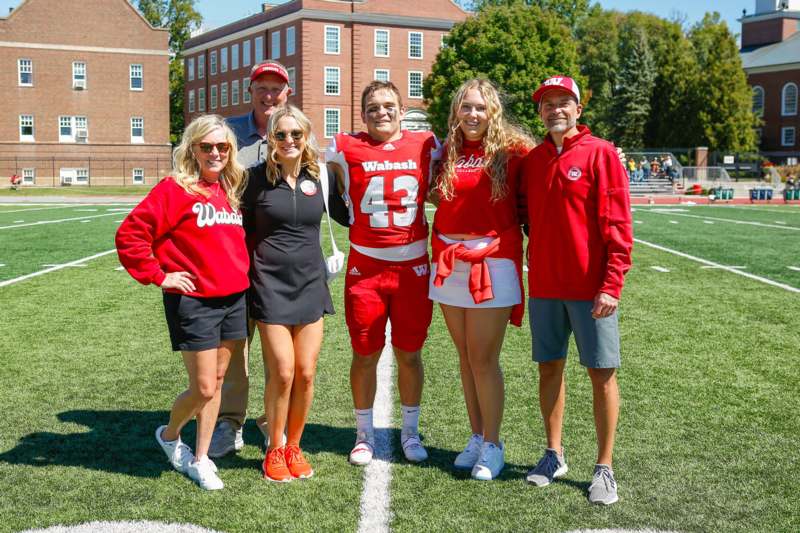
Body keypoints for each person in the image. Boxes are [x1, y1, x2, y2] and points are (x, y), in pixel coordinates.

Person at [115, 114, 249, 490]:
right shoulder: (174, 189)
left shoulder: (230, 189)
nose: (215, 153)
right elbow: (130, 234)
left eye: (222, 147)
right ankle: (171, 434)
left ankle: (202, 457)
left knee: (219, 381)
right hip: (194, 302)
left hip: (234, 298)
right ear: (193, 149)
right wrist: (160, 275)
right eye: (207, 146)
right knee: (204, 387)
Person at [521, 76, 633, 505]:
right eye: (548, 104)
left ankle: (604, 467)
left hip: (592, 290)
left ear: (578, 109)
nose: (555, 110)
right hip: (546, 285)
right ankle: (554, 453)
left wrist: (612, 283)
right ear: (540, 112)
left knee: (601, 373)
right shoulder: (532, 161)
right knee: (549, 369)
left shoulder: (601, 153)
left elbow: (619, 225)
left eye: (563, 102)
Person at [326, 81, 441, 466]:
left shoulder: (427, 143)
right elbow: (324, 179)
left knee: (410, 353)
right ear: (362, 114)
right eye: (373, 107)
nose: (382, 112)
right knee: (365, 354)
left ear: (402, 109)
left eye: (389, 105)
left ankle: (409, 431)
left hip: (412, 267)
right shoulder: (344, 147)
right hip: (366, 268)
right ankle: (363, 434)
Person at [428, 78, 533, 480]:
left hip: (494, 263)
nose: (473, 115)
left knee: (484, 359)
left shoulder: (514, 151)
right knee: (466, 360)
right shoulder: (446, 153)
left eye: (480, 108)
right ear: (456, 111)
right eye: (466, 107)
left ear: (493, 111)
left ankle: (494, 444)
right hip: (450, 262)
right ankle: (475, 436)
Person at [242, 105, 348, 481]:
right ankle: (274, 446)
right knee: (283, 372)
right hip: (268, 284)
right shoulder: (253, 179)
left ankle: (294, 445)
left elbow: (351, 216)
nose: (288, 141)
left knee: (305, 373)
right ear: (270, 138)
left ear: (306, 138)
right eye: (281, 134)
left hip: (309, 283)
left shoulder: (319, 177)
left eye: (296, 135)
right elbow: (233, 228)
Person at [210, 60, 292, 458]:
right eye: (262, 87)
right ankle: (230, 420)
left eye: (276, 88)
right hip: (235, 253)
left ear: (287, 92)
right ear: (251, 90)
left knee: (283, 350)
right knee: (235, 343)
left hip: (279, 257)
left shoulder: (293, 132)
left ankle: (271, 419)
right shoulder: (228, 133)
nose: (269, 94)